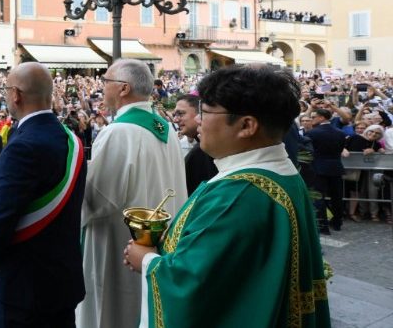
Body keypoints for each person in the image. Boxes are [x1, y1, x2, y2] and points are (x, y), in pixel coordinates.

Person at [124, 65, 330, 327]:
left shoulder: (238, 194)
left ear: (246, 125)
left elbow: (192, 284)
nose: (198, 120)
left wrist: (146, 259)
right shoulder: (280, 172)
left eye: (206, 112)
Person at [79, 59, 187, 328]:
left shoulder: (119, 132)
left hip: (119, 247)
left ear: (123, 88)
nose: (102, 88)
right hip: (158, 244)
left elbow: (98, 200)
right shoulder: (166, 128)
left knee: (113, 311)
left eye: (106, 81)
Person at [0, 62, 86, 327]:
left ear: (16, 94)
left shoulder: (23, 146)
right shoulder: (69, 138)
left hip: (26, 288)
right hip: (63, 280)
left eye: (5, 90)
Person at [304, 108, 347, 234]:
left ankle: (323, 226)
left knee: (319, 197)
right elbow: (340, 150)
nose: (312, 119)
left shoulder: (312, 133)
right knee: (337, 197)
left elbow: (308, 151)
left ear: (321, 118)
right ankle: (337, 223)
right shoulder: (340, 133)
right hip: (336, 167)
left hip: (318, 168)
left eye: (314, 117)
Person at [174, 94, 217, 195]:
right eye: (174, 115)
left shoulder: (207, 150)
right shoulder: (201, 149)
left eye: (180, 114)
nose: (175, 120)